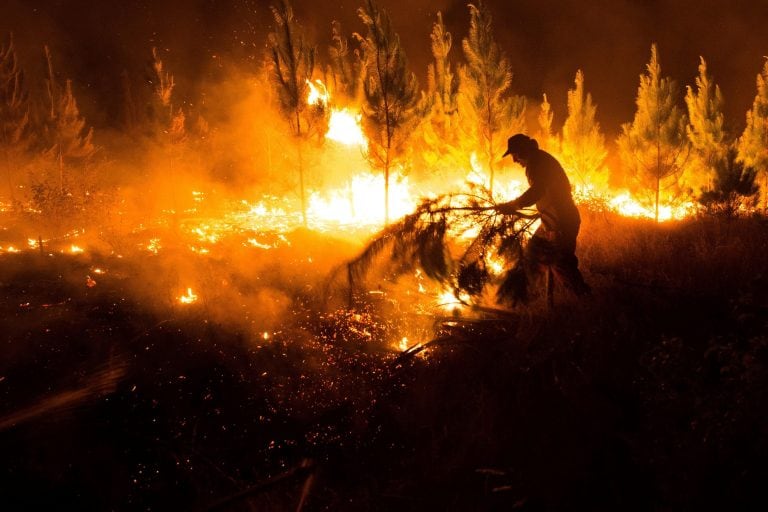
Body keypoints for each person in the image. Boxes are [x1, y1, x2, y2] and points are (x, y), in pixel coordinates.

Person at [495, 133, 590, 299]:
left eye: (515, 155)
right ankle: (525, 298)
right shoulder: (539, 159)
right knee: (532, 255)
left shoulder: (536, 164)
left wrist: (513, 205)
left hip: (561, 222)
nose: (514, 160)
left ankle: (586, 300)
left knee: (562, 264)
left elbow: (536, 191)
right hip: (552, 220)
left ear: (522, 151)